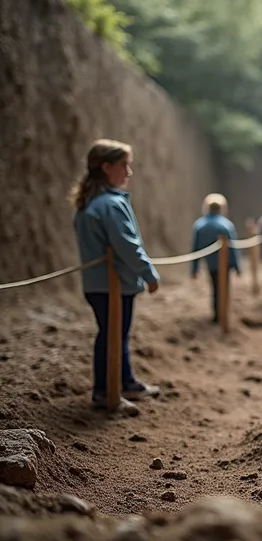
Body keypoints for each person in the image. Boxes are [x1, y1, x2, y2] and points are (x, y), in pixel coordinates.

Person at [70, 139, 161, 407]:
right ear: (106, 167)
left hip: (96, 284)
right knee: (112, 335)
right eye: (124, 165)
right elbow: (127, 246)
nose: (128, 172)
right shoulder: (110, 205)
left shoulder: (90, 203)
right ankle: (105, 392)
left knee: (113, 333)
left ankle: (125, 383)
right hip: (114, 284)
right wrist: (149, 274)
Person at [190, 193, 242, 324]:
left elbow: (195, 249)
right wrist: (237, 266)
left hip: (211, 264)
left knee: (215, 288)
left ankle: (217, 314)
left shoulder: (199, 226)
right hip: (226, 264)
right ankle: (223, 313)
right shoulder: (226, 225)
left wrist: (194, 269)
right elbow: (233, 248)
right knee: (224, 288)